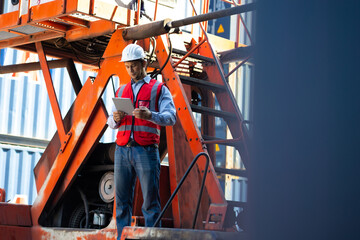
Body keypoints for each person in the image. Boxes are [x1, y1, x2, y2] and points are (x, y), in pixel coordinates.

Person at [107, 44, 176, 239]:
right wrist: (116, 119)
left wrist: (150, 115)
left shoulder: (159, 89)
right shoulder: (121, 90)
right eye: (127, 66)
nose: (130, 70)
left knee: (150, 204)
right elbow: (110, 123)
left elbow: (171, 117)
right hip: (122, 151)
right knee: (121, 204)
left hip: (146, 152)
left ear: (144, 63)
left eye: (134, 66)